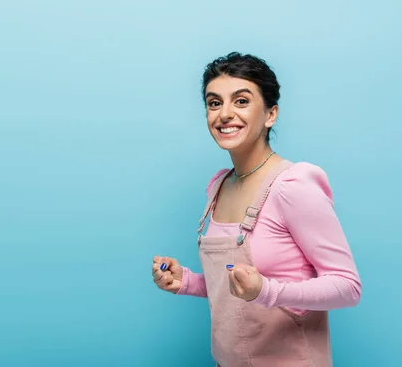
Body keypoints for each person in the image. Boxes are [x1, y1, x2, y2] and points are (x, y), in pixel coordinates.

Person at [152, 52, 362, 367]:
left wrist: (267, 290)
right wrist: (187, 282)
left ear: (270, 114)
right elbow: (235, 286)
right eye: (214, 102)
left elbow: (347, 286)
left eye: (241, 101)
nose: (224, 114)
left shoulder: (293, 185)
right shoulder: (218, 186)